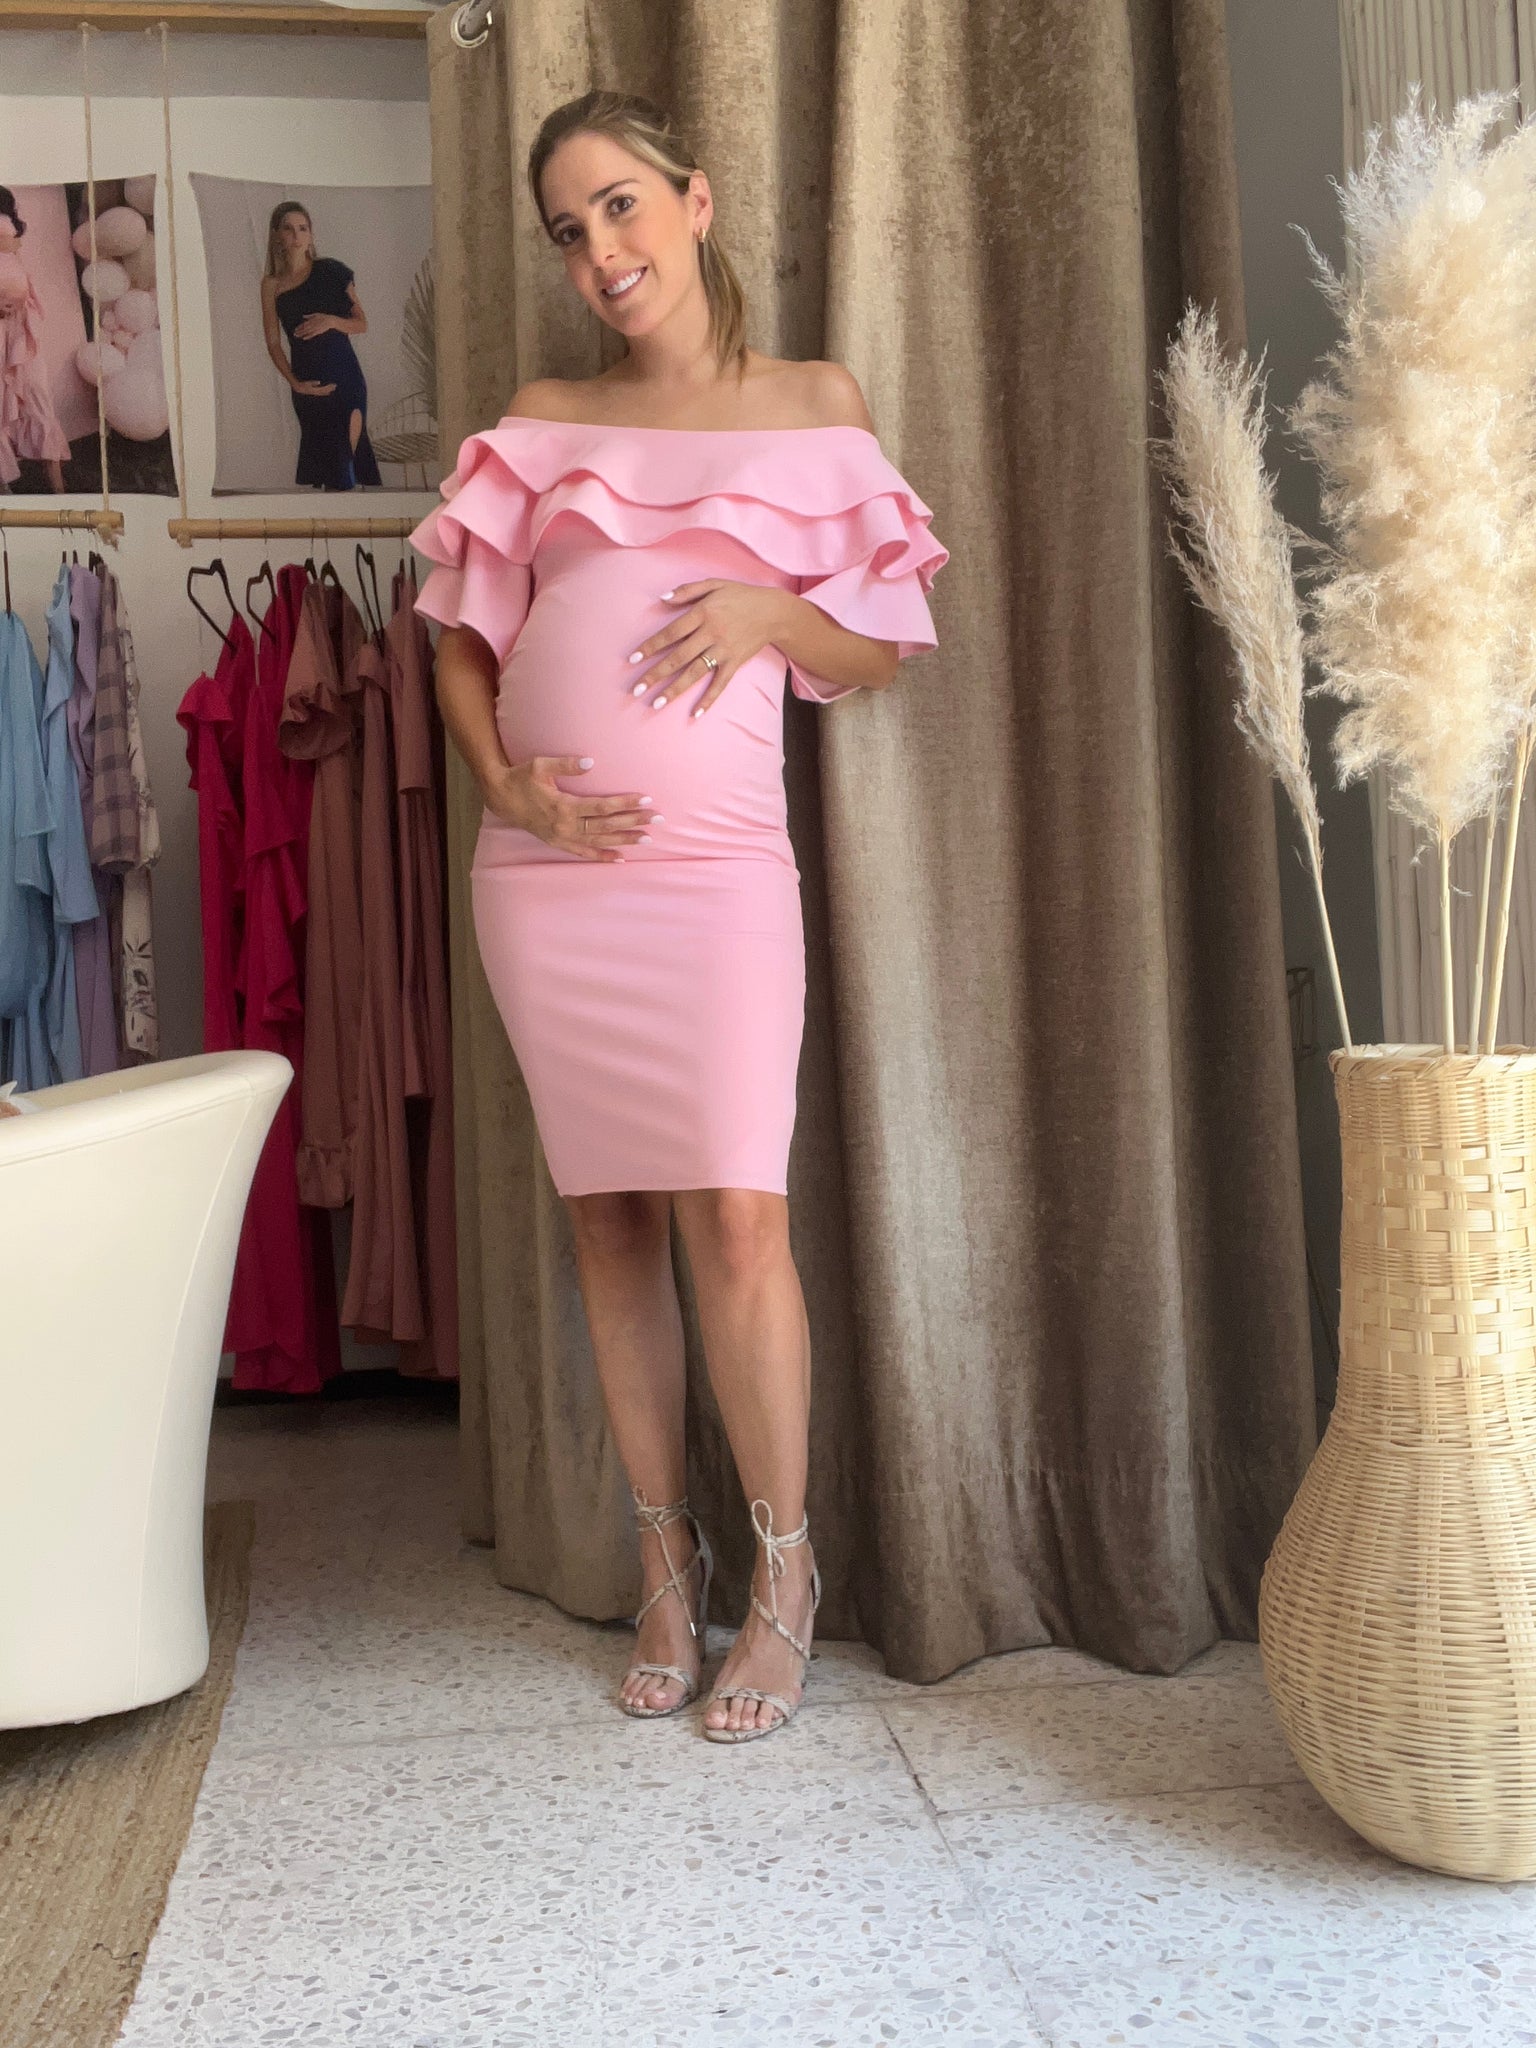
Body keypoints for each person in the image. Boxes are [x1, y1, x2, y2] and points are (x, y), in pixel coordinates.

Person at [412, 90, 946, 1744]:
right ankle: (665, 1563)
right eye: (569, 231)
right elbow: (462, 646)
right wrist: (504, 790)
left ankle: (783, 1572)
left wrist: (773, 606)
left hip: (721, 879)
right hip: (548, 883)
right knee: (608, 1226)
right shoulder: (544, 417)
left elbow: (880, 651)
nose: (601, 252)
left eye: (622, 206)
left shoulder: (813, 403)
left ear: (695, 200)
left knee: (737, 1219)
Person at [260, 201, 382, 491]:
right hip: (306, 386)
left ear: (311, 235)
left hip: (345, 380)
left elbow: (361, 323)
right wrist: (295, 384)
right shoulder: (271, 285)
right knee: (326, 468)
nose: (296, 236)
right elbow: (273, 342)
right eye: (289, 229)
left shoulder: (332, 271)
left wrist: (331, 321)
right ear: (277, 235)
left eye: (303, 228)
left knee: (347, 466)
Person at [0, 186, 69, 494]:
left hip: (21, 326)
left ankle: (57, 487)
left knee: (38, 395)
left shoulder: (9, 229)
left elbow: (14, 262)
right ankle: (6, 491)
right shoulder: (8, 234)